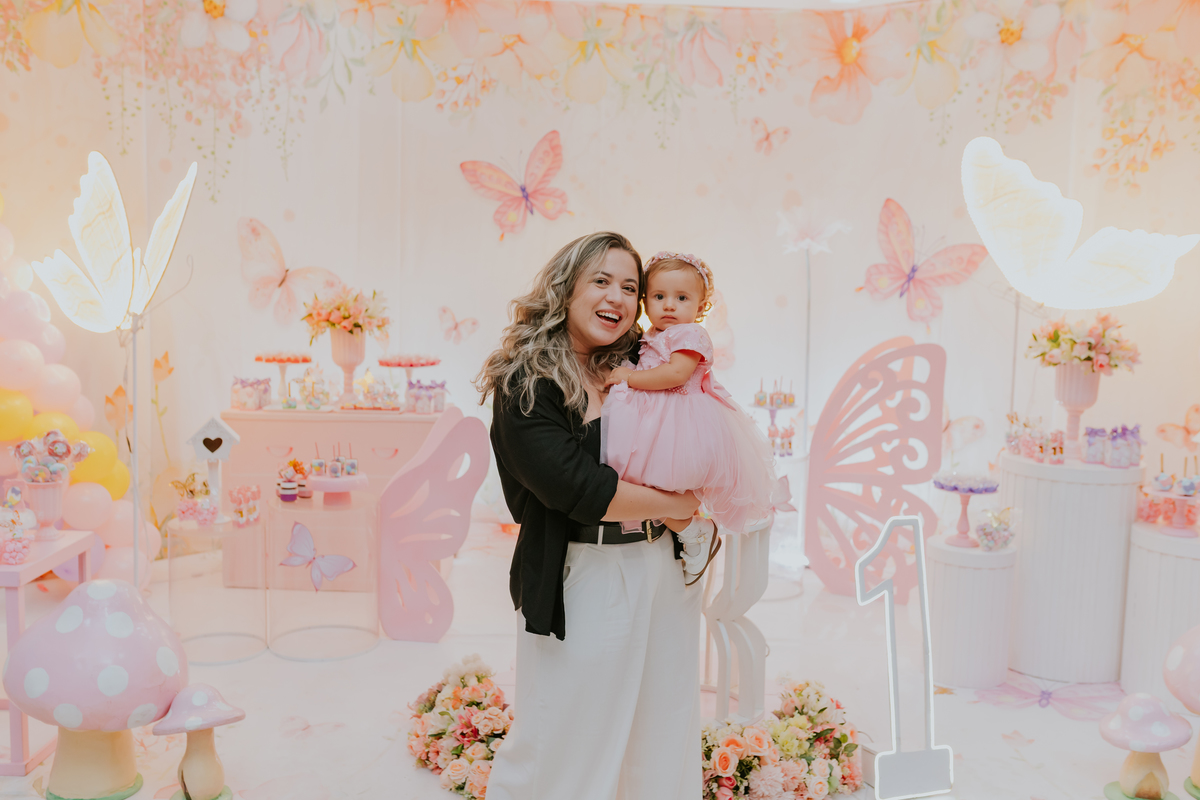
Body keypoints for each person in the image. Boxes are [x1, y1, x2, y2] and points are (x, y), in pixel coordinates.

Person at [476, 232, 707, 800]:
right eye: (601, 281)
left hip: (662, 570)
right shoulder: (526, 380)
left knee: (660, 726)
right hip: (581, 573)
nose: (618, 297)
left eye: (631, 287)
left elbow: (696, 436)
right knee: (564, 732)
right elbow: (573, 486)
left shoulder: (641, 366)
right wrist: (677, 506)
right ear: (566, 289)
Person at [604, 251, 779, 578]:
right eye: (659, 296)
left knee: (664, 484)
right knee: (641, 483)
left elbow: (675, 375)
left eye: (681, 298)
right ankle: (689, 531)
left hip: (680, 420)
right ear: (645, 302)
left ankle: (692, 530)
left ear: (701, 307)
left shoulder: (690, 335)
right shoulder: (649, 337)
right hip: (653, 421)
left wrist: (628, 377)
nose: (669, 305)